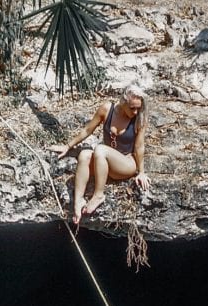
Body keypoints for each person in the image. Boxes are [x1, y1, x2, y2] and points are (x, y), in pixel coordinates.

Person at [53, 84, 151, 224]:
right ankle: (78, 201)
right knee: (84, 155)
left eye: (138, 108)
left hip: (126, 164)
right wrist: (68, 146)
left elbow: (139, 146)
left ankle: (98, 195)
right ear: (123, 102)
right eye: (132, 108)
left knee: (100, 149)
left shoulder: (139, 119)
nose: (135, 112)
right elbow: (88, 130)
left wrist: (141, 172)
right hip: (105, 163)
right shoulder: (107, 109)